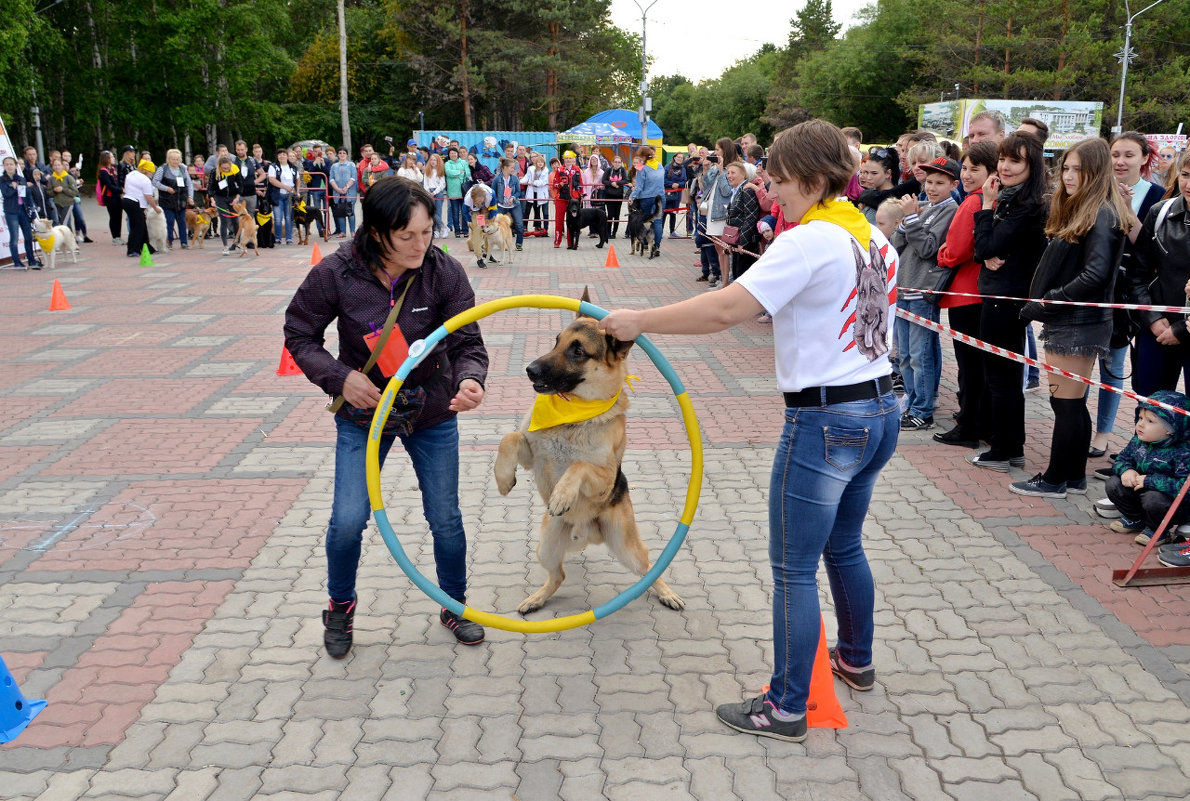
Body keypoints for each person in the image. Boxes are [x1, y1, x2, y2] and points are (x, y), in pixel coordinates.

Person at [600, 120, 899, 743]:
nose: (772, 190)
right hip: (878, 412)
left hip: (826, 421)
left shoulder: (810, 240)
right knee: (843, 546)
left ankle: (787, 706)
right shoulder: (871, 238)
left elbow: (729, 307)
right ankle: (856, 659)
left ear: (816, 180)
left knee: (793, 568)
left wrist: (638, 320)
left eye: (782, 180)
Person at [283, 178, 489, 657]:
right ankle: (340, 606)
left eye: (427, 232)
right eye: (407, 236)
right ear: (377, 232)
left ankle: (453, 602)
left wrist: (470, 380)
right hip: (363, 414)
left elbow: (467, 342)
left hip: (432, 410)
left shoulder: (444, 271)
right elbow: (299, 334)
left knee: (446, 518)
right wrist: (340, 378)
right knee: (349, 519)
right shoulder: (336, 273)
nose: (421, 245)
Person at [1011, 138, 1130, 499]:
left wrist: (1050, 302)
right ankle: (1073, 476)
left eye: (1079, 169)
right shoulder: (1090, 209)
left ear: (1096, 172)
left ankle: (1055, 479)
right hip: (1074, 318)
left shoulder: (1101, 212)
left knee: (1065, 403)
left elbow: (1095, 274)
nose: (1069, 175)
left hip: (1078, 321)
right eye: (1066, 167)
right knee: (1070, 402)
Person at [968, 132, 1049, 472]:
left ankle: (1005, 449)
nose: (1005, 166)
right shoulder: (1011, 198)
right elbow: (982, 250)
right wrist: (985, 252)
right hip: (998, 294)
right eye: (1002, 159)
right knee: (1001, 375)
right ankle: (1009, 446)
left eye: (1014, 160)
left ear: (1032, 165)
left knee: (1001, 377)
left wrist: (986, 206)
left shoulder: (1028, 206)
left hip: (1007, 299)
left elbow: (985, 247)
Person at [1091, 132, 1171, 457]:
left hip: (1133, 294)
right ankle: (1080, 429)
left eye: (1129, 155)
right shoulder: (1096, 190)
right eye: (1115, 154)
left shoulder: (1157, 196)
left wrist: (1126, 210)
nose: (1121, 161)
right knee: (1083, 364)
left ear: (1144, 158)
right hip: (1096, 287)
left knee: (1115, 364)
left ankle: (1103, 433)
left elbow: (1152, 250)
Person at [933, 141, 998, 448]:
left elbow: (954, 250)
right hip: (984, 294)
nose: (969, 174)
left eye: (976, 169)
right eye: (966, 167)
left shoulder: (973, 203)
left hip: (966, 294)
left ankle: (969, 426)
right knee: (981, 367)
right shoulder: (994, 201)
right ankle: (983, 423)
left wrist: (943, 254)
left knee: (970, 368)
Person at [891, 156, 961, 431]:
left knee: (921, 355)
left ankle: (924, 409)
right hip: (905, 288)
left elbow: (927, 248)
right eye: (929, 181)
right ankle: (912, 400)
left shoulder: (949, 210)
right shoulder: (925, 207)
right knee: (906, 354)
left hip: (922, 291)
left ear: (953, 184)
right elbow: (896, 242)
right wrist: (907, 220)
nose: (932, 187)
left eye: (940, 183)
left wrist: (910, 218)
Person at [1128, 149, 1190, 399]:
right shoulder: (1160, 212)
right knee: (1149, 407)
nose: (1189, 184)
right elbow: (1137, 274)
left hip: (1181, 327)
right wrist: (1152, 317)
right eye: (1185, 174)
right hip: (1158, 328)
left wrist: (1182, 329)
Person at [1104, 391, 1190, 549]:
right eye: (1141, 418)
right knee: (1113, 484)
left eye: (1150, 421)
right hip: (1140, 490)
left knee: (1153, 499)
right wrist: (1126, 471)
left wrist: (1149, 481)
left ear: (1171, 429)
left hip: (1171, 504)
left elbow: (1185, 488)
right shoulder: (1138, 440)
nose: (1140, 424)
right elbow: (1122, 459)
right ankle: (1135, 519)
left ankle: (1159, 530)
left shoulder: (1183, 452)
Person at [723, 161, 762, 281]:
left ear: (743, 175)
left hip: (746, 242)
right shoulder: (735, 190)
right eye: (728, 173)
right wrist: (729, 242)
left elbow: (751, 217)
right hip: (736, 240)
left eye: (733, 173)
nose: (729, 176)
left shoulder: (747, 190)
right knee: (736, 274)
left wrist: (743, 242)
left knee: (742, 277)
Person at [1, 156, 40, 268]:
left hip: (23, 210)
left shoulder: (21, 179)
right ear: (4, 166)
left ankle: (31, 260)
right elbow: (6, 194)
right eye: (7, 164)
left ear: (15, 165)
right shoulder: (2, 180)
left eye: (11, 164)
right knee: (14, 237)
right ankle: (17, 261)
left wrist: (32, 212)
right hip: (11, 212)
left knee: (28, 236)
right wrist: (13, 188)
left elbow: (28, 196)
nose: (9, 166)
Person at [152, 148, 194, 250]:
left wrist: (190, 197)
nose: (175, 161)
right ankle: (169, 241)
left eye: (177, 159)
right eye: (173, 159)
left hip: (181, 200)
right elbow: (155, 181)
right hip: (167, 200)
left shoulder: (183, 168)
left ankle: (184, 242)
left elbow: (189, 183)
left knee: (182, 222)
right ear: (168, 159)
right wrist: (166, 188)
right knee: (169, 221)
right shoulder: (163, 169)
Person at [629, 145, 665, 258]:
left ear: (644, 156)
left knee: (645, 221)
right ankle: (657, 246)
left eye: (640, 156)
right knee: (658, 222)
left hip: (646, 198)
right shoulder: (660, 166)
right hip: (660, 197)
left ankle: (646, 242)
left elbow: (639, 187)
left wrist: (632, 196)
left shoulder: (641, 167)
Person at [122, 158, 160, 258]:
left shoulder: (131, 174)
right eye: (151, 172)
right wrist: (155, 208)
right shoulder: (145, 180)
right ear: (146, 171)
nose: (152, 174)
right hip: (136, 203)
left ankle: (146, 247)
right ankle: (132, 250)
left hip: (127, 200)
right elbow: (148, 197)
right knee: (137, 227)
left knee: (141, 225)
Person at [210, 154, 245, 254]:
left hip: (233, 196)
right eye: (223, 167)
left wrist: (237, 198)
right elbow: (211, 187)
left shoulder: (235, 170)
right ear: (220, 166)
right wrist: (212, 199)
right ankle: (225, 246)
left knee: (235, 221)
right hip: (220, 197)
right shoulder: (214, 172)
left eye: (227, 167)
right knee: (224, 220)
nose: (226, 169)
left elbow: (241, 185)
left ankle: (237, 243)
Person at [550, 151, 582, 249]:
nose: (568, 160)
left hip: (573, 200)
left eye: (570, 158)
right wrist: (559, 185)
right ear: (563, 159)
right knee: (559, 221)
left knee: (571, 221)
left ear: (574, 159)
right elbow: (554, 184)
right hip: (561, 199)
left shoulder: (577, 169)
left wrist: (581, 196)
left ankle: (570, 243)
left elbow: (580, 184)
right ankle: (557, 241)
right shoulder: (559, 169)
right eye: (566, 158)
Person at [491, 157, 524, 251]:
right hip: (501, 205)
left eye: (513, 168)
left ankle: (519, 243)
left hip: (514, 204)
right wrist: (497, 201)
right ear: (505, 167)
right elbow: (493, 192)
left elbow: (518, 191)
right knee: (499, 224)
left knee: (519, 224)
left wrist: (513, 198)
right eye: (511, 167)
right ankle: (502, 243)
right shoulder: (497, 179)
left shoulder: (514, 178)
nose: (513, 169)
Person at [269, 149, 299, 245]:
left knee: (289, 218)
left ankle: (288, 238)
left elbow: (297, 179)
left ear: (287, 156)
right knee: (278, 218)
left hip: (289, 196)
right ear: (277, 157)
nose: (282, 156)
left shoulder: (293, 168)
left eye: (284, 154)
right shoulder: (273, 167)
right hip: (278, 195)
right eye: (279, 155)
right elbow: (272, 180)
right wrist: (285, 187)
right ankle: (277, 238)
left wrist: (297, 191)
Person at [329, 146, 359, 238]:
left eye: (344, 153)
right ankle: (342, 232)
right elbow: (331, 179)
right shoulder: (334, 166)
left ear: (347, 155)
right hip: (337, 192)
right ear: (337, 155)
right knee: (340, 212)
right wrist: (337, 189)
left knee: (350, 212)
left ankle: (353, 232)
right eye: (340, 153)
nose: (342, 154)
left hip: (349, 192)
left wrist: (346, 187)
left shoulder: (351, 165)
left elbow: (353, 177)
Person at [97, 151, 124, 245]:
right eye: (112, 157)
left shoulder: (112, 170)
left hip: (116, 196)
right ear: (106, 159)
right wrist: (121, 190)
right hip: (109, 197)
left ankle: (119, 236)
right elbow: (109, 186)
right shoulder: (103, 172)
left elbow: (116, 183)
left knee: (119, 216)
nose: (113, 158)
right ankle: (115, 237)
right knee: (113, 217)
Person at [521, 153, 550, 237]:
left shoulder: (545, 170)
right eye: (538, 162)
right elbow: (527, 177)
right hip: (532, 192)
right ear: (535, 163)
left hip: (541, 193)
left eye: (542, 162)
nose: (540, 163)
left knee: (543, 212)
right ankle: (524, 227)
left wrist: (534, 182)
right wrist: (521, 181)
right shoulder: (531, 169)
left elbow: (543, 181)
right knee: (527, 209)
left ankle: (544, 229)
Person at [47, 157, 80, 232]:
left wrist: (63, 189)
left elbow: (75, 192)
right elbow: (49, 192)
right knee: (66, 223)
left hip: (68, 203)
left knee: (63, 223)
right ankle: (71, 239)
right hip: (57, 204)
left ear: (62, 166)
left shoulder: (68, 178)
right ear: (52, 167)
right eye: (55, 165)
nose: (57, 167)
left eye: (59, 165)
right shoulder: (51, 179)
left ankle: (68, 240)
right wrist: (54, 191)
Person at [600, 155, 628, 239]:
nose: (617, 164)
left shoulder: (622, 170)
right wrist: (611, 183)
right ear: (612, 162)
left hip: (618, 195)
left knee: (617, 215)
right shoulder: (609, 170)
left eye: (619, 162)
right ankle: (608, 232)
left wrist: (618, 183)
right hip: (609, 195)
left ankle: (614, 232)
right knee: (610, 215)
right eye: (615, 162)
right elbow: (604, 180)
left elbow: (625, 180)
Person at [444, 147, 470, 237]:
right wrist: (459, 172)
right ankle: (457, 231)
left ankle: (465, 230)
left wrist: (455, 174)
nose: (453, 155)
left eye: (454, 153)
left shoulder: (463, 162)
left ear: (457, 154)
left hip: (463, 191)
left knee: (464, 212)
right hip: (453, 191)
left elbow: (467, 173)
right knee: (455, 212)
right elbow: (448, 173)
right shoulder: (447, 164)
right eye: (451, 153)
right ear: (449, 155)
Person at [423, 153, 447, 237]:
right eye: (431, 160)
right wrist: (428, 192)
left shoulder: (440, 170)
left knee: (438, 212)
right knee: (432, 212)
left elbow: (442, 184)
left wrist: (434, 192)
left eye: (434, 160)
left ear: (438, 161)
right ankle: (442, 227)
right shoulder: (427, 170)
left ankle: (439, 229)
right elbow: (425, 183)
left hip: (438, 192)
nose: (433, 162)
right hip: (429, 192)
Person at [664, 153, 688, 237]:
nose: (680, 159)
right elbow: (663, 180)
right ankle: (660, 231)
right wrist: (671, 184)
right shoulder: (667, 167)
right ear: (674, 157)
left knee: (673, 213)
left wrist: (678, 184)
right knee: (664, 213)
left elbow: (685, 181)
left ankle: (672, 231)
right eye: (678, 157)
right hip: (667, 193)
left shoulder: (683, 169)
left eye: (682, 158)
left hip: (677, 194)